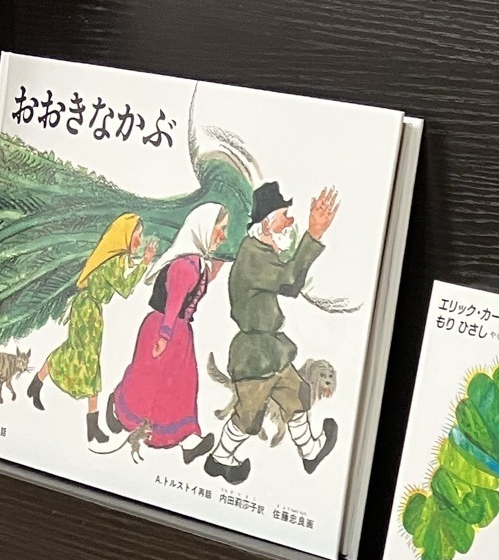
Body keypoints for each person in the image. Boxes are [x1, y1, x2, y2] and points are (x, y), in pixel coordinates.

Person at [203, 178, 340, 485]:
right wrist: (314, 233)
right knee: (248, 416)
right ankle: (220, 458)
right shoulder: (253, 255)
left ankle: (310, 451)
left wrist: (311, 236)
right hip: (254, 356)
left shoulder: (262, 251)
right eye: (284, 216)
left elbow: (289, 285)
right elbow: (289, 278)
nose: (289, 222)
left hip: (271, 351)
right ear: (266, 223)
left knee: (296, 396)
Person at [107, 203, 227, 460]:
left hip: (178, 333)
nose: (223, 236)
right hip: (164, 328)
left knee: (182, 385)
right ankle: (120, 407)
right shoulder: (184, 266)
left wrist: (214, 271)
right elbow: (174, 304)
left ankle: (187, 440)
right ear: (205, 229)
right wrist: (164, 336)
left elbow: (195, 290)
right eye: (221, 229)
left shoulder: (197, 263)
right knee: (148, 379)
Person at [26, 213, 157, 443]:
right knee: (88, 362)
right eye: (137, 235)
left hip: (89, 310)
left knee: (75, 353)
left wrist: (139, 262)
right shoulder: (114, 259)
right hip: (87, 312)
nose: (139, 240)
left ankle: (37, 383)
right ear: (125, 236)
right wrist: (145, 263)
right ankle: (92, 424)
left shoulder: (115, 257)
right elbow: (125, 288)